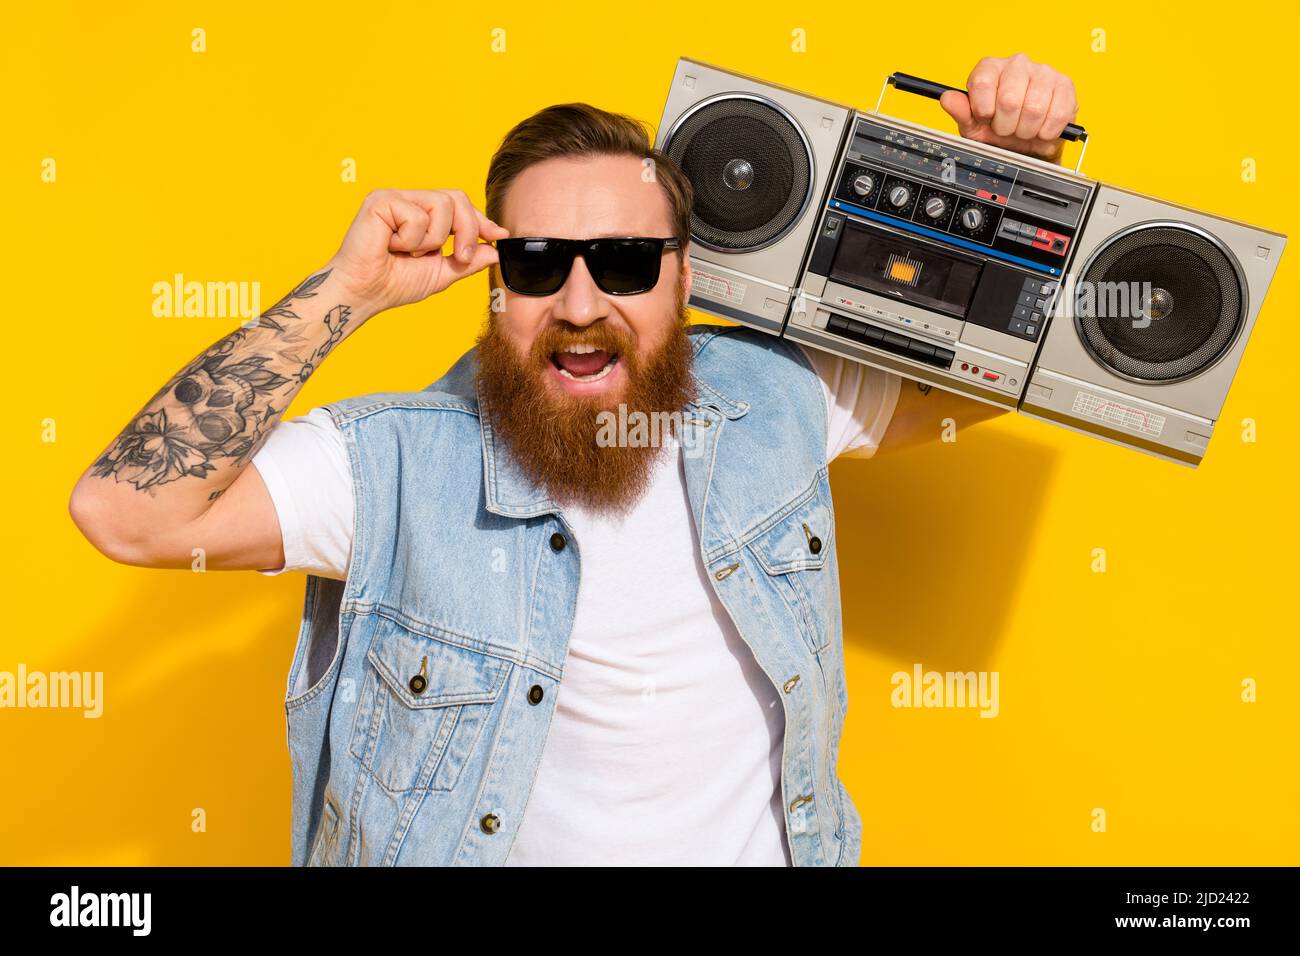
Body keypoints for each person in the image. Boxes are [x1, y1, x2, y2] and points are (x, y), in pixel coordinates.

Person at [69, 54, 1080, 866]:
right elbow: (128, 513)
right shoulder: (394, 466)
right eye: (541, 262)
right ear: (497, 283)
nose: (583, 302)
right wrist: (351, 288)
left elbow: (986, 376)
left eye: (627, 262)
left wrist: (1004, 181)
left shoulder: (774, 398)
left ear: (685, 281)